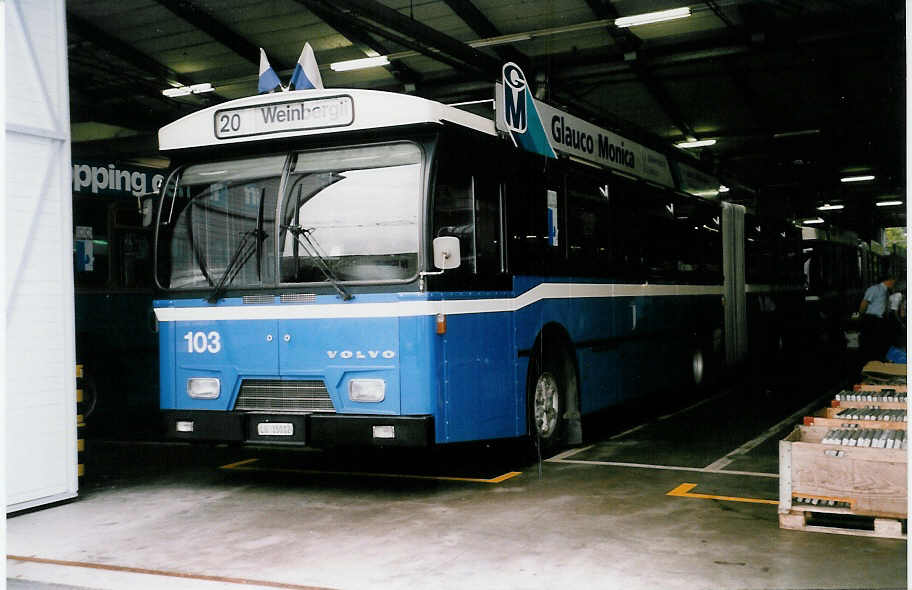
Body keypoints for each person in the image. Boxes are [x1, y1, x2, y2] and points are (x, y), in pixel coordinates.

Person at [858, 275, 896, 362]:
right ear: (889, 280)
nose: (894, 284)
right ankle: (868, 360)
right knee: (871, 340)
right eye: (893, 281)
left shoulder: (886, 291)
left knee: (879, 340)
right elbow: (864, 303)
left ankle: (877, 359)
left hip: (880, 319)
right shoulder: (875, 289)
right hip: (871, 318)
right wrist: (861, 316)